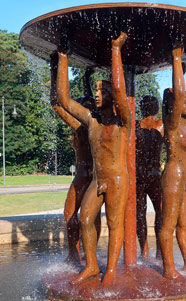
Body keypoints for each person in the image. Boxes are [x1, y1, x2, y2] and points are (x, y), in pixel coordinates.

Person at [56, 32, 131, 286]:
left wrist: (115, 50)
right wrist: (64, 58)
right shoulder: (91, 120)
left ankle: (109, 271)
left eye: (102, 90)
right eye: (96, 90)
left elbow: (121, 90)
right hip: (97, 181)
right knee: (85, 219)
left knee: (114, 224)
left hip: (117, 180)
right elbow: (64, 99)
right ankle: (90, 265)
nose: (97, 94)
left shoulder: (123, 122)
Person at [158, 45, 186, 280]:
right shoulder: (173, 125)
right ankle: (169, 269)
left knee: (184, 225)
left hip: (185, 180)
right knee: (168, 225)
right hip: (173, 178)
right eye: (184, 101)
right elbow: (179, 93)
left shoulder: (184, 125)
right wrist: (177, 60)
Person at [50, 58, 100, 264]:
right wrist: (87, 77)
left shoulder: (81, 126)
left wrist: (54, 70)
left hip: (85, 175)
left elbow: (56, 103)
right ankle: (80, 254)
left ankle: (78, 255)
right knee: (80, 215)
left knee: (75, 215)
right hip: (89, 174)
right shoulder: (91, 125)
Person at [135, 95, 163, 260]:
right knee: (140, 214)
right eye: (148, 103)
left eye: (154, 103)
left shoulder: (161, 125)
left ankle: (159, 250)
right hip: (141, 175)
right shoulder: (136, 125)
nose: (152, 106)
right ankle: (144, 250)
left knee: (160, 212)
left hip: (153, 175)